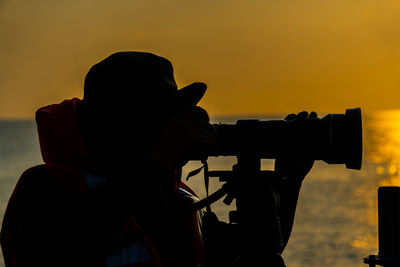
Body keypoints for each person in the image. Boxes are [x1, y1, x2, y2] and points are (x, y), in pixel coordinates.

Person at [0, 51, 315, 267]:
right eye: (163, 121)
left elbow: (248, 254)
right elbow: (52, 246)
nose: (176, 129)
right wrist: (158, 161)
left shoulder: (176, 198)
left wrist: (287, 187)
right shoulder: (45, 189)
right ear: (120, 130)